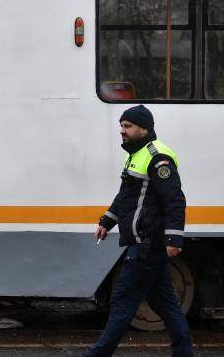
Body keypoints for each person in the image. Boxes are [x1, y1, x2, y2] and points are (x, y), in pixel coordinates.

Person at [73, 105, 193, 357]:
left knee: (122, 301)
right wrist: (107, 221)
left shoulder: (158, 157)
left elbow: (174, 200)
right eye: (121, 126)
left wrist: (174, 238)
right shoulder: (135, 154)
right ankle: (184, 353)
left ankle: (96, 355)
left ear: (144, 128)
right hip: (145, 242)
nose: (121, 131)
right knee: (166, 304)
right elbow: (126, 196)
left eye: (127, 126)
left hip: (147, 243)